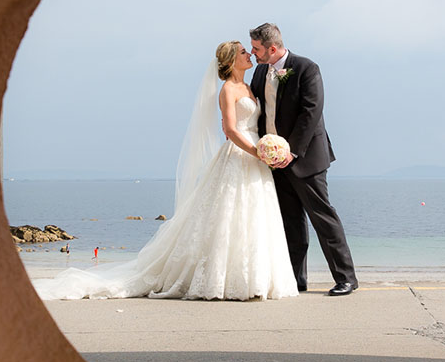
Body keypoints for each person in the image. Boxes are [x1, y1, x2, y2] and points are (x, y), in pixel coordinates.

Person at [34, 42, 297, 301]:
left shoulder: (249, 87)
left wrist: (268, 149)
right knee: (230, 215)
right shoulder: (228, 89)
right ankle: (223, 279)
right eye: (242, 52)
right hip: (240, 154)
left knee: (254, 216)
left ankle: (255, 278)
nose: (249, 54)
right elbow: (229, 130)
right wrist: (256, 152)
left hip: (255, 159)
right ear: (230, 61)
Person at [248, 23, 358, 296]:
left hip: (305, 159)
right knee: (290, 222)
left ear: (272, 49)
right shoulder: (261, 71)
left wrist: (291, 152)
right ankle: (295, 280)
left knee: (323, 218)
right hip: (274, 161)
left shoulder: (307, 68)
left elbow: (311, 112)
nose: (253, 54)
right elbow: (258, 111)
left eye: (257, 48)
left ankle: (346, 278)